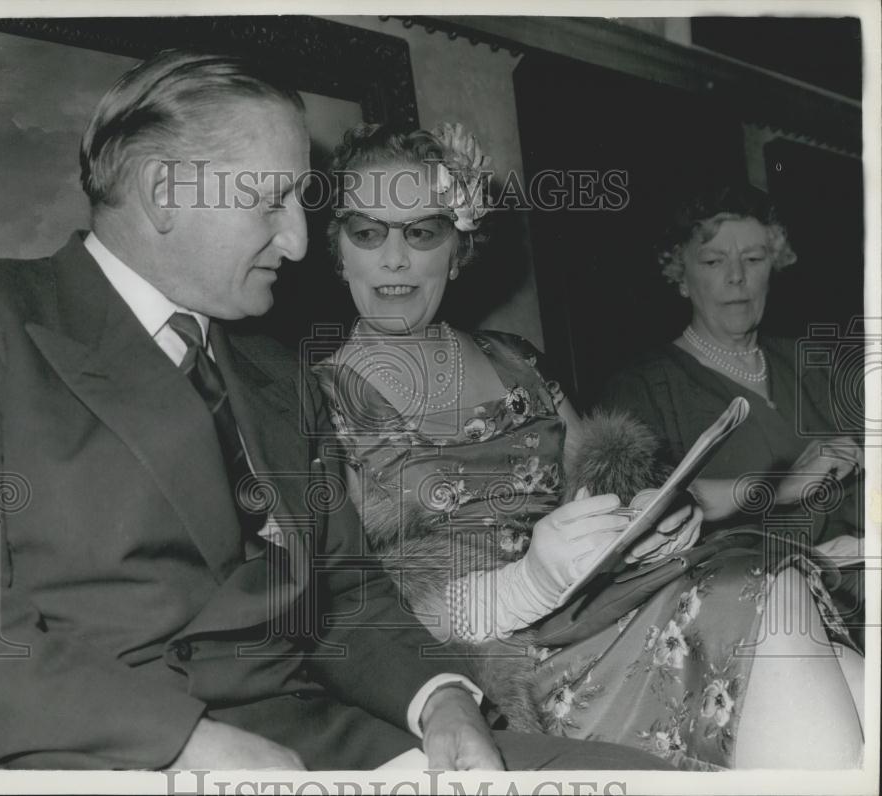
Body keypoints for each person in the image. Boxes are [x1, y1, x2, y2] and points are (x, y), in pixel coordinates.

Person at [0, 51, 683, 773]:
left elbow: (345, 596)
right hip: (101, 755)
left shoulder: (276, 372)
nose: (301, 241)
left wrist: (442, 700)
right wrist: (186, 745)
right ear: (166, 193)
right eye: (271, 200)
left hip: (322, 738)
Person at [311, 123, 865, 769]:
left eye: (422, 231)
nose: (395, 258)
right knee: (765, 598)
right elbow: (338, 613)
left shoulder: (515, 360)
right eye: (368, 232)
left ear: (458, 248)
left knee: (799, 621)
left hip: (600, 607)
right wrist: (521, 586)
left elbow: (610, 492)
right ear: (338, 250)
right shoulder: (315, 402)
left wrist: (653, 518)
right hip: (493, 667)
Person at [596, 184, 865, 634]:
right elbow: (639, 516)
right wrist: (779, 486)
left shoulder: (814, 362)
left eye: (754, 260)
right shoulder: (643, 387)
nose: (737, 277)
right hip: (752, 616)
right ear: (680, 275)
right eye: (714, 261)